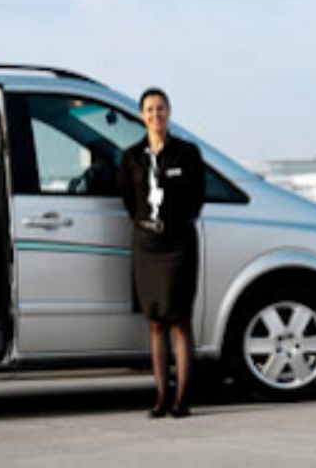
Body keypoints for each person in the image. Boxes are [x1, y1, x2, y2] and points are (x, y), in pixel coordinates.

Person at [120, 87, 205, 418]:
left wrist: (174, 223)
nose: (156, 115)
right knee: (155, 321)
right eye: (150, 110)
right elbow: (128, 199)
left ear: (169, 112)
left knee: (179, 320)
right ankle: (160, 396)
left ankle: (183, 398)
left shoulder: (187, 153)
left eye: (161, 109)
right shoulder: (131, 157)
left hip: (179, 245)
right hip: (147, 246)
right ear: (142, 116)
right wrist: (146, 224)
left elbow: (197, 197)